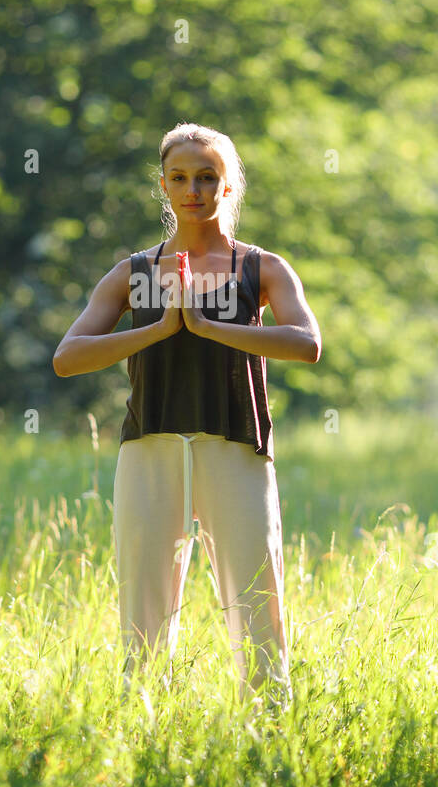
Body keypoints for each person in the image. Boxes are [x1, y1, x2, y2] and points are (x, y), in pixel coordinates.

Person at [53, 122, 321, 710]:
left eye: (207, 177)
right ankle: (141, 725)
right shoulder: (135, 272)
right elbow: (67, 358)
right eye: (179, 178)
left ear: (228, 187)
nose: (192, 189)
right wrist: (157, 329)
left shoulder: (262, 267)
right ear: (164, 186)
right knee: (144, 605)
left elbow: (306, 344)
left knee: (256, 597)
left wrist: (208, 327)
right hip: (150, 446)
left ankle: (268, 729)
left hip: (237, 448)